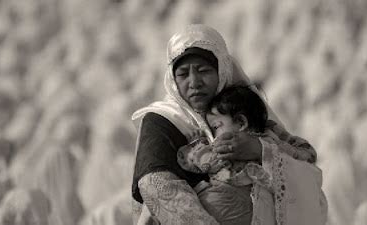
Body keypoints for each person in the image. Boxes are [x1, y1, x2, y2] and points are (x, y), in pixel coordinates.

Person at [131, 24, 327, 225]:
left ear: (222, 70)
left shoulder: (242, 108)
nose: (194, 82)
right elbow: (158, 187)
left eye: (203, 70)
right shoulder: (162, 121)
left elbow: (305, 163)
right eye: (183, 74)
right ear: (173, 79)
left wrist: (260, 149)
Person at [177, 84, 317, 224]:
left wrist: (263, 149)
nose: (214, 137)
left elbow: (308, 155)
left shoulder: (271, 135)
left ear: (241, 122)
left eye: (216, 127)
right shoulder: (272, 139)